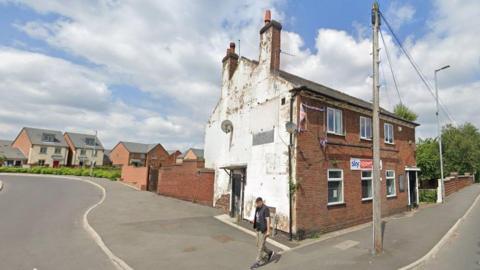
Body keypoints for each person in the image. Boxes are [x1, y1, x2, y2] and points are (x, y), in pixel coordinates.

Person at [250, 197, 274, 269]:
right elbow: (257, 216)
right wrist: (253, 221)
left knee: (260, 247)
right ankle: (269, 252)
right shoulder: (258, 208)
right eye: (256, 204)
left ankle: (257, 262)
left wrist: (268, 231)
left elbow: (267, 220)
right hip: (258, 228)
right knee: (258, 244)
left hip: (263, 230)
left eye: (258, 203)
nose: (257, 205)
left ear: (261, 202)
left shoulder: (265, 209)